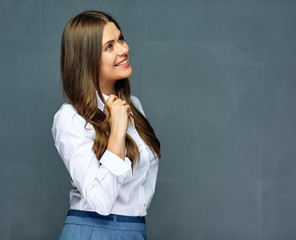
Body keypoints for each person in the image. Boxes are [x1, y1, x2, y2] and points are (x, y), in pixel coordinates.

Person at [51, 10, 161, 240]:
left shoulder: (135, 106)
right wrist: (118, 131)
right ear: (86, 59)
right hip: (93, 231)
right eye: (109, 47)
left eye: (120, 39)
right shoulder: (71, 118)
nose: (124, 49)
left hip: (135, 230)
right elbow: (100, 201)